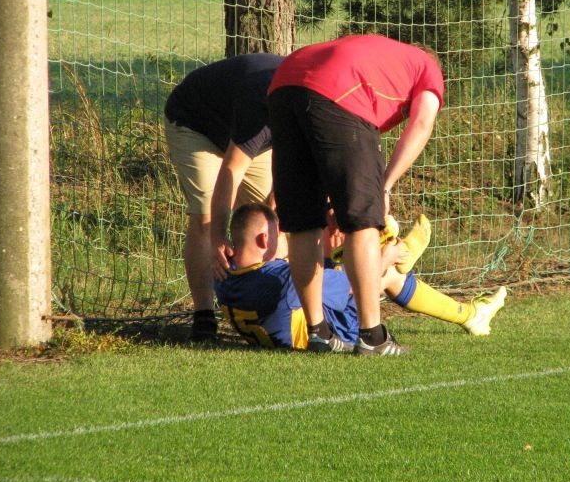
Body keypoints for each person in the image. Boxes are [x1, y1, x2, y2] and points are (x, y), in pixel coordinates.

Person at [266, 34, 445, 355]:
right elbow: (421, 124)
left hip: (284, 82)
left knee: (302, 223)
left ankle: (318, 332)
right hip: (339, 87)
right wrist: (385, 185)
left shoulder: (383, 60)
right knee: (363, 221)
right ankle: (372, 337)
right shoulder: (427, 69)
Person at [215, 204, 506, 352]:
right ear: (265, 239)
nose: (288, 241)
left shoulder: (223, 275)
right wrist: (385, 259)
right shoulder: (281, 280)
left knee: (331, 253)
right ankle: (403, 254)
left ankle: (470, 315)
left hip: (294, 317)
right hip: (333, 334)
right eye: (283, 236)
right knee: (386, 272)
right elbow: (354, 286)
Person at [164, 53, 282, 341]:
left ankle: (266, 307)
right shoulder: (261, 107)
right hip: (196, 124)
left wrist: (272, 211)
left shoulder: (307, 111)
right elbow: (230, 170)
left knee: (267, 222)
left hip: (247, 131)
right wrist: (219, 236)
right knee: (206, 215)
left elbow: (290, 172)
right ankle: (204, 316)